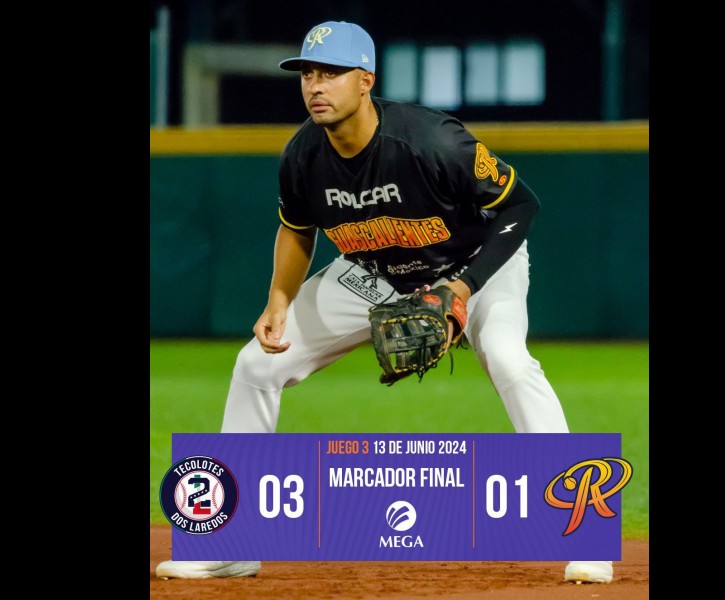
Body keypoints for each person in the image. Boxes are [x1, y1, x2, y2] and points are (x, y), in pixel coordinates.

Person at [155, 20, 613, 585]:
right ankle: (228, 542)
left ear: (366, 79)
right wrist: (278, 298)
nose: (315, 85)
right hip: (374, 274)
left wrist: (463, 288)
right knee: (255, 365)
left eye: (331, 73)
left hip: (473, 266)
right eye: (308, 74)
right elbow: (297, 229)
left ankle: (587, 534)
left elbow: (522, 205)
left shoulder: (431, 141)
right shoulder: (303, 155)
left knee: (509, 361)